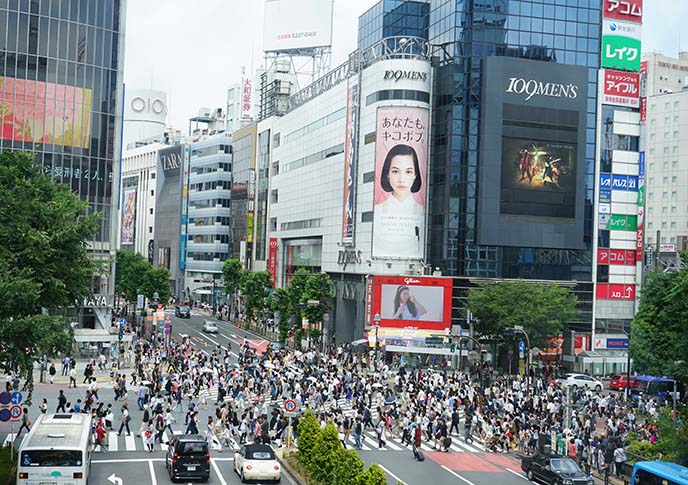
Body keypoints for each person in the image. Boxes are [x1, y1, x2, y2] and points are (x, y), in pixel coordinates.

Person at [372, 144, 425, 259]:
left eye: (408, 172)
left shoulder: (423, 213)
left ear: (415, 175)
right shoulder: (376, 212)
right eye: (395, 171)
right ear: (388, 174)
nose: (401, 179)